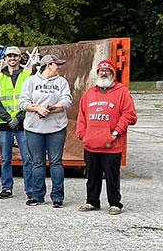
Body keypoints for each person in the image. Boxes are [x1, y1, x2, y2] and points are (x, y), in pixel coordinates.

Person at [77, 59, 137, 215]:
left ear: (112, 73)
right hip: (91, 143)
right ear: (97, 74)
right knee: (92, 175)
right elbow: (81, 116)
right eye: (101, 71)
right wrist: (83, 134)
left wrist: (116, 132)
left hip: (112, 144)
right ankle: (92, 201)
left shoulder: (121, 91)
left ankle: (115, 203)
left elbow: (129, 115)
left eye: (107, 70)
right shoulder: (89, 93)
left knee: (112, 176)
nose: (104, 73)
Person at [20, 54, 72, 208]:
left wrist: (54, 108)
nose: (59, 67)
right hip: (34, 128)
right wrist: (38, 108)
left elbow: (67, 100)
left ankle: (57, 197)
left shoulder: (61, 82)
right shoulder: (31, 81)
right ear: (48, 65)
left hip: (56, 128)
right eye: (57, 64)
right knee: (37, 162)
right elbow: (23, 103)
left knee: (56, 162)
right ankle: (37, 195)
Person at [0, 46, 34, 200]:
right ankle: (6, 188)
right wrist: (9, 119)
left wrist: (19, 117)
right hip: (5, 124)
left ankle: (30, 189)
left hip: (24, 122)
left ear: (19, 58)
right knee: (5, 158)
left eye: (15, 56)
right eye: (9, 56)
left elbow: (32, 99)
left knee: (27, 158)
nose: (12, 59)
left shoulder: (28, 75)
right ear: (5, 58)